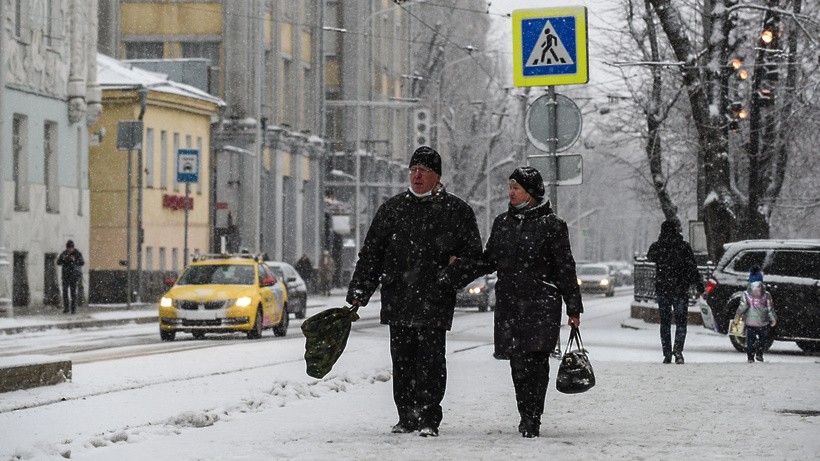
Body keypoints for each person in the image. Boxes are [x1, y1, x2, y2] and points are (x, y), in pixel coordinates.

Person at [346, 146, 482, 437]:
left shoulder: (456, 211)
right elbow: (372, 254)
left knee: (431, 362)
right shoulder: (393, 209)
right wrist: (360, 289)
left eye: (424, 171)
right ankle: (406, 415)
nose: (417, 176)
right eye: (413, 170)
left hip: (434, 300)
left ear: (437, 176)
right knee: (403, 361)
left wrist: (449, 276)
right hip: (399, 298)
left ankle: (430, 416)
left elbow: (474, 257)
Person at [472, 166, 583, 438]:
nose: (510, 192)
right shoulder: (502, 223)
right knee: (518, 363)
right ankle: (525, 413)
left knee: (537, 360)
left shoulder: (553, 226)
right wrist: (458, 268)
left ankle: (534, 416)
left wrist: (573, 306)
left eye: (516, 188)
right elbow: (489, 260)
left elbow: (565, 268)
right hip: (510, 302)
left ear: (531, 193)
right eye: (509, 187)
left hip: (542, 303)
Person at [646, 219, 705, 365]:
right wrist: (699, 286)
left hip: (663, 289)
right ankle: (678, 351)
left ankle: (667, 354)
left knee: (665, 323)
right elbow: (692, 267)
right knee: (681, 322)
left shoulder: (658, 246)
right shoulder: (683, 246)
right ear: (676, 231)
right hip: (680, 289)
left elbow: (650, 256)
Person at [734, 267, 777, 363]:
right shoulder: (766, 294)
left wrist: (737, 317)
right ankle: (760, 354)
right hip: (763, 321)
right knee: (763, 339)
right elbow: (770, 309)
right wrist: (773, 319)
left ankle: (750, 357)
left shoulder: (746, 294)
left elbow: (742, 307)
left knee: (750, 339)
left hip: (750, 321)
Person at [57, 240, 85, 314]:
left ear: (73, 247)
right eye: (68, 248)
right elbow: (58, 262)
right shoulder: (64, 253)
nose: (69, 250)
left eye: (71, 248)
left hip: (74, 275)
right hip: (65, 275)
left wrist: (74, 260)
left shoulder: (77, 253)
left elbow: (82, 262)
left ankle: (73, 309)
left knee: (73, 293)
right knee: (65, 292)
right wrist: (64, 259)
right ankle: (66, 308)